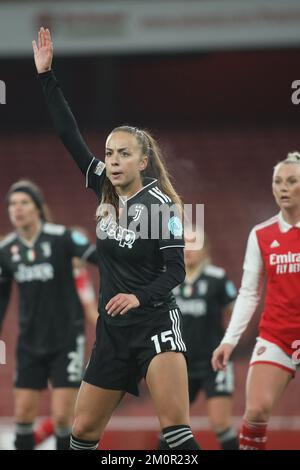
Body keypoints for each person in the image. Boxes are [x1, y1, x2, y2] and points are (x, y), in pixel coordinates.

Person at [32, 27, 201, 451]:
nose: (112, 160)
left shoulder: (158, 205)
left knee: (176, 435)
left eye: (123, 153)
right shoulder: (104, 187)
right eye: (109, 153)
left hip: (155, 324)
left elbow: (176, 270)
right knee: (82, 435)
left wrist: (139, 298)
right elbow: (69, 136)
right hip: (112, 332)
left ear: (144, 161)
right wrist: (46, 76)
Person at [0, 180, 98, 450]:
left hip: (66, 341)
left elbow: (99, 258)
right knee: (22, 416)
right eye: (12, 205)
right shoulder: (7, 250)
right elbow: (2, 297)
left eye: (24, 203)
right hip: (29, 343)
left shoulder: (62, 238)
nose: (17, 209)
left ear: (38, 208)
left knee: (63, 418)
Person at [212, 152, 300, 450]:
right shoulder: (261, 234)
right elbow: (249, 293)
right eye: (278, 182)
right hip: (277, 336)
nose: (283, 188)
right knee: (256, 411)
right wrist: (229, 340)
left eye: (291, 181)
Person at [158, 231, 238, 450]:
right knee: (171, 427)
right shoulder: (168, 278)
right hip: (179, 363)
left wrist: (229, 342)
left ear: (205, 249)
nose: (189, 250)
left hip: (215, 362)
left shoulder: (216, 277)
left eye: (194, 244)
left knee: (221, 424)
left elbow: (237, 312)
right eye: (184, 245)